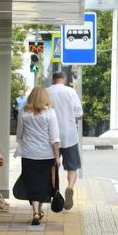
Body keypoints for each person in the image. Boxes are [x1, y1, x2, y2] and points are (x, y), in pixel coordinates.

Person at [16, 87, 61, 225]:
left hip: (29, 154)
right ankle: (39, 210)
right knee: (43, 184)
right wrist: (57, 156)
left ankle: (35, 211)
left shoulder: (23, 113)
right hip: (45, 155)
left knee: (32, 183)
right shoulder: (50, 113)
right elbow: (54, 138)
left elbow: (19, 134)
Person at [46, 72, 83, 209]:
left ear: (53, 80)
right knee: (72, 166)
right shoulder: (71, 91)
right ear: (65, 80)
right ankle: (70, 187)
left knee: (53, 165)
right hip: (70, 135)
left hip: (51, 136)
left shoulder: (46, 92)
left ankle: (56, 191)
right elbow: (79, 114)